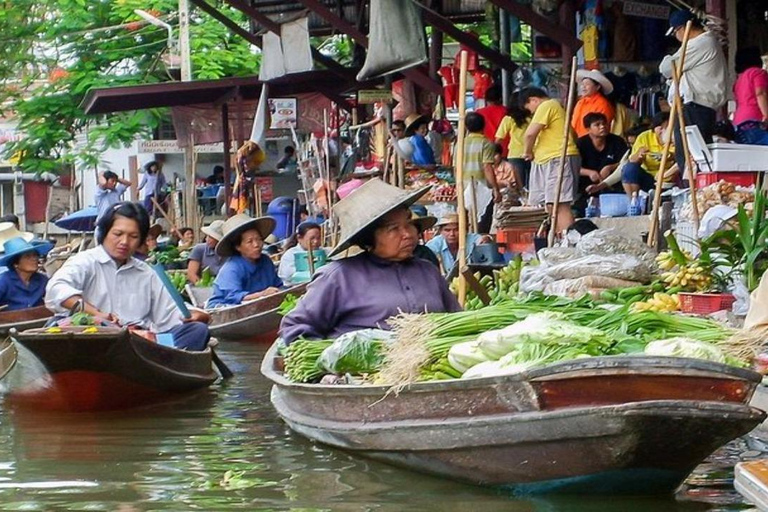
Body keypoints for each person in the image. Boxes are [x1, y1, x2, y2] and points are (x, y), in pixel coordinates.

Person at [279, 179, 461, 344]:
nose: (407, 234)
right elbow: (295, 329)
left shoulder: (427, 271)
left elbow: (456, 320)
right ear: (369, 238)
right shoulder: (338, 277)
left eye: (409, 224)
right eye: (393, 228)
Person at [45, 202, 211, 351]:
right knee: (55, 326)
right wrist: (96, 314)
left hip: (136, 343)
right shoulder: (85, 261)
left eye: (133, 237)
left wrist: (196, 314)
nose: (124, 242)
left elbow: (169, 311)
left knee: (197, 330)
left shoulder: (146, 273)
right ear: (104, 233)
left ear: (141, 240)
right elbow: (56, 289)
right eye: (118, 234)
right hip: (92, 337)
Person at [659, 10, 726, 171]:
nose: (677, 37)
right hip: (699, 107)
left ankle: (694, 190)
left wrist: (668, 58)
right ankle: (695, 190)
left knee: (690, 156)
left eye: (675, 32)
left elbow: (667, 68)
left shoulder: (700, 43)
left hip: (695, 106)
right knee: (692, 155)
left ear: (681, 28)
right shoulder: (706, 42)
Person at [520, 87, 581, 235]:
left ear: (534, 99)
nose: (532, 113)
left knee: (559, 205)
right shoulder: (557, 108)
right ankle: (561, 239)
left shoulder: (547, 105)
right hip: (550, 159)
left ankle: (569, 243)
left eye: (530, 109)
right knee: (551, 206)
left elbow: (529, 134)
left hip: (557, 158)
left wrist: (527, 152)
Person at [206, 214, 283, 308]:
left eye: (259, 239)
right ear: (238, 247)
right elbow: (234, 297)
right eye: (250, 242)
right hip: (227, 308)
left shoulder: (266, 261)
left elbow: (278, 285)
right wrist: (263, 294)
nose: (256, 245)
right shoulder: (232, 268)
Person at [575, 112, 629, 209]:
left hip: (613, 184)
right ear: (588, 129)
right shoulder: (580, 144)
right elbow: (572, 166)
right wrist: (589, 172)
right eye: (597, 125)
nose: (602, 127)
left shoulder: (617, 141)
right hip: (586, 186)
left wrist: (610, 167)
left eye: (604, 123)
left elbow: (625, 161)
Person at [462, 112, 502, 234]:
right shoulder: (487, 143)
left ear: (466, 127)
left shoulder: (460, 143)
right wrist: (495, 188)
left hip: (463, 185)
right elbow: (487, 167)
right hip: (483, 187)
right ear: (483, 126)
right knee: (483, 221)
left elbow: (455, 167)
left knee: (466, 220)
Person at [621, 112, 678, 196]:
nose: (662, 130)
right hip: (648, 177)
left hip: (669, 179)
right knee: (628, 169)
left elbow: (679, 157)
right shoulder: (644, 137)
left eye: (666, 128)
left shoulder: (676, 137)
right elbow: (632, 160)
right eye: (660, 127)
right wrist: (639, 155)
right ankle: (633, 201)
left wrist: (668, 156)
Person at [0, 237, 53, 311]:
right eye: (27, 256)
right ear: (16, 263)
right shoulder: (3, 281)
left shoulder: (42, 280)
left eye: (35, 255)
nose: (34, 259)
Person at [733, 47, 768, 146]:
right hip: (754, 121)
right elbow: (760, 93)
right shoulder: (758, 73)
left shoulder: (739, 80)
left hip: (738, 123)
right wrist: (766, 114)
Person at [494, 95, 532, 187]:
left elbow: (498, 139)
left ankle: (521, 201)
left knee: (518, 186)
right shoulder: (532, 118)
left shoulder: (508, 119)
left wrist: (495, 154)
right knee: (533, 185)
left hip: (515, 154)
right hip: (531, 154)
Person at [571, 70, 615, 138]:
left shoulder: (603, 104)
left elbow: (601, 129)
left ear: (597, 87)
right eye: (582, 84)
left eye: (587, 84)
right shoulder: (580, 102)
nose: (583, 87)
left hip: (591, 142)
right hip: (576, 140)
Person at [187, 220, 226, 285]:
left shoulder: (230, 253)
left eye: (211, 237)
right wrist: (202, 286)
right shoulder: (199, 249)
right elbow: (191, 274)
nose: (207, 239)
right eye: (207, 236)